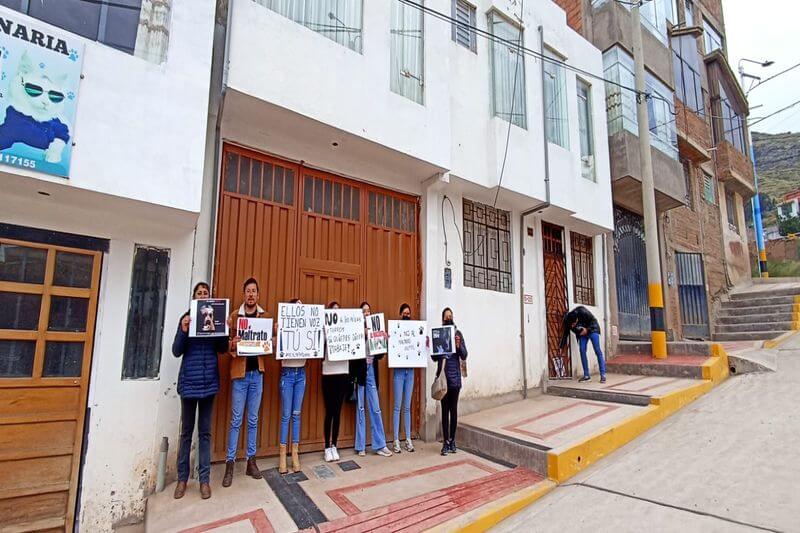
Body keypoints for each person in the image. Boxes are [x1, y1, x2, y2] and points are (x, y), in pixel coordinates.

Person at [171, 282, 228, 500]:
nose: (202, 295)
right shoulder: (186, 318)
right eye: (199, 293)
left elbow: (222, 348)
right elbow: (176, 351)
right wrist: (184, 330)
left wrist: (222, 329)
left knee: (205, 433)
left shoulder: (215, 318)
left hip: (208, 384)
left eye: (206, 293)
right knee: (186, 433)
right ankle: (182, 480)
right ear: (194, 298)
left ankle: (204, 480)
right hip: (189, 383)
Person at [223, 278, 271, 487]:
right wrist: (231, 344)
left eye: (254, 291)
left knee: (253, 420)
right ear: (244, 295)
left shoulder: (264, 316)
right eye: (248, 291)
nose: (251, 295)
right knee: (236, 421)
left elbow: (269, 344)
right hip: (240, 376)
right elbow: (226, 346)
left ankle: (251, 461)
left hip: (256, 374)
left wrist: (273, 340)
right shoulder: (234, 317)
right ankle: (230, 463)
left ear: (258, 295)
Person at [351, 301, 393, 457]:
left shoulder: (376, 328)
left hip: (371, 373)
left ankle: (380, 444)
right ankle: (360, 446)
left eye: (368, 311)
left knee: (375, 407)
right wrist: (363, 334)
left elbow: (380, 356)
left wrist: (383, 340)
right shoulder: (357, 331)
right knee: (360, 408)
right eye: (364, 311)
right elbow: (352, 354)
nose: (367, 313)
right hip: (360, 374)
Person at [432, 307, 468, 456]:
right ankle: (445, 442)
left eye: (450, 316)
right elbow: (434, 358)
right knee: (444, 411)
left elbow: (464, 355)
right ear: (442, 319)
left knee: (453, 411)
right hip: (443, 379)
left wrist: (458, 346)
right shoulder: (439, 334)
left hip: (455, 380)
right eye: (446, 317)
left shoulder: (458, 334)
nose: (448, 318)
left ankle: (453, 441)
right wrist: (433, 347)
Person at [279, 298, 307, 474]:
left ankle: (294, 453)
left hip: (301, 373)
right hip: (287, 374)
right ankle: (282, 454)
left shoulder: (306, 330)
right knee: (286, 415)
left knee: (297, 414)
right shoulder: (284, 327)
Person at [322, 301, 349, 463]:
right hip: (328, 372)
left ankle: (334, 445)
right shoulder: (325, 330)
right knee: (329, 411)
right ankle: (326, 447)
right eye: (333, 311)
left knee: (337, 411)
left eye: (339, 310)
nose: (336, 313)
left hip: (343, 372)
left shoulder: (347, 329)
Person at [391, 303, 416, 453]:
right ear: (400, 314)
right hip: (399, 373)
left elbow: (418, 348)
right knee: (397, 406)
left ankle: (407, 438)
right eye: (404, 313)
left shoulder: (414, 331)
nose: (407, 315)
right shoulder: (396, 330)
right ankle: (395, 439)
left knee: (407, 407)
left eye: (409, 313)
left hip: (410, 372)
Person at [559, 306, 606, 383]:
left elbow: (594, 321)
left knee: (597, 350)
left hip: (592, 329)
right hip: (582, 333)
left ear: (577, 319)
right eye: (571, 325)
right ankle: (586, 375)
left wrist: (587, 330)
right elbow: (565, 334)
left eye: (574, 324)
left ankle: (603, 375)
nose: (572, 326)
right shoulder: (568, 320)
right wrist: (561, 347)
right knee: (582, 350)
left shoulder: (582, 311)